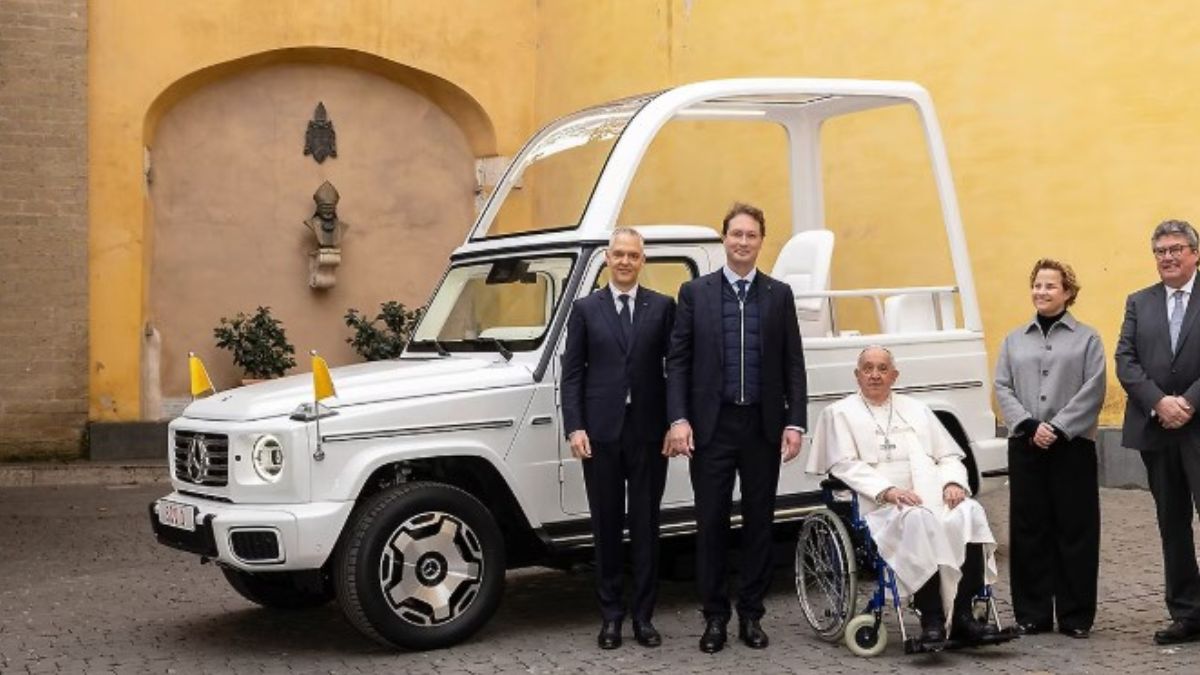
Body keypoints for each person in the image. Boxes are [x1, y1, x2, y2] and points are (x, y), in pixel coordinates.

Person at [665, 202, 807, 653]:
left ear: (761, 241)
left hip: (762, 427)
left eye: (751, 235)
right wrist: (679, 418)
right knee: (710, 524)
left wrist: (795, 422)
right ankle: (714, 618)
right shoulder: (695, 294)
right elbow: (678, 362)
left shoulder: (778, 295)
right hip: (712, 428)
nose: (743, 242)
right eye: (735, 234)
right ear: (723, 239)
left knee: (760, 524)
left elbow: (793, 365)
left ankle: (751, 614)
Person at [807, 346, 999, 644]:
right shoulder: (840, 413)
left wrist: (952, 483)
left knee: (969, 512)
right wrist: (888, 490)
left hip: (931, 495)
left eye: (882, 369)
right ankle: (932, 617)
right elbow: (843, 464)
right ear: (857, 375)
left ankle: (963, 616)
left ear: (894, 375)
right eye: (868, 368)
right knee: (917, 520)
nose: (875, 375)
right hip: (880, 506)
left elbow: (948, 455)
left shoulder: (917, 409)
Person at [560, 227, 676, 649]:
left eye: (633, 255)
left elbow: (675, 369)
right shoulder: (585, 309)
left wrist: (674, 422)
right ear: (607, 259)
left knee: (646, 527)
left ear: (642, 260)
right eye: (619, 254)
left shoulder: (662, 307)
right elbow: (572, 373)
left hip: (648, 434)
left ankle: (643, 617)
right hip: (601, 434)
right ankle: (611, 617)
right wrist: (575, 427)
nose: (626, 261)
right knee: (606, 527)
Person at [994, 259, 1105, 639]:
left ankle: (1075, 616)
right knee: (1029, 530)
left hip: (1071, 446)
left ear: (1068, 292)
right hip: (1025, 445)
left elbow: (1094, 388)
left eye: (1050, 286)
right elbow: (1002, 386)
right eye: (1037, 285)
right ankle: (1032, 614)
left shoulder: (1087, 339)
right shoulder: (1013, 339)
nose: (1042, 292)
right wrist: (1027, 425)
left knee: (1076, 530)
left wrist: (1057, 427)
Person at [1116, 219, 1200, 645]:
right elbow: (1125, 360)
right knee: (1173, 524)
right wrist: (1159, 402)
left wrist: (1188, 402)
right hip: (1157, 429)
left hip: (1199, 425)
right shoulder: (1139, 301)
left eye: (1176, 249)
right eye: (1161, 251)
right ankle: (1187, 614)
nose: (1167, 257)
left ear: (1195, 254)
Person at [303, 180, 349, 248]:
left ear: (335, 208)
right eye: (324, 207)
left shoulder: (342, 226)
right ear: (318, 209)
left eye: (330, 207)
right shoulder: (312, 223)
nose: (327, 211)